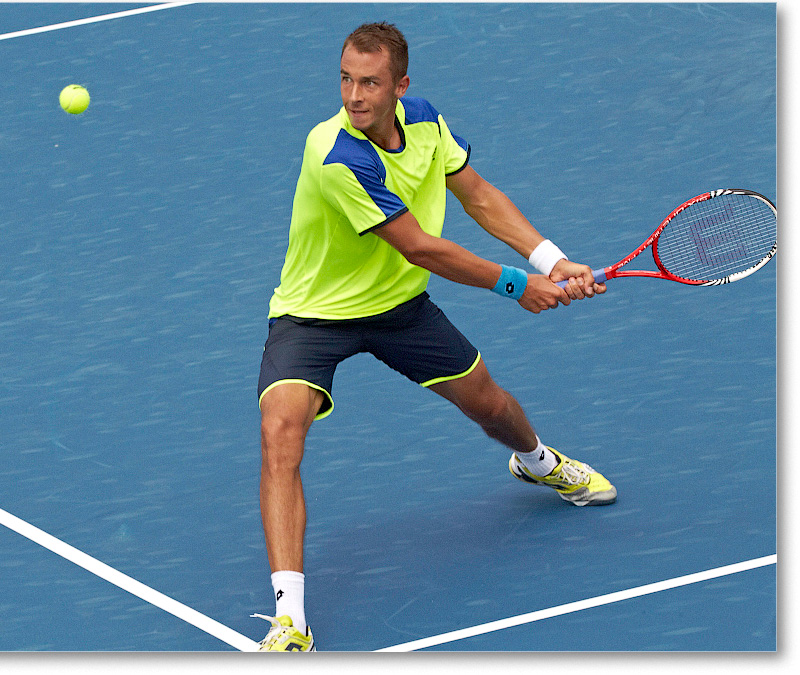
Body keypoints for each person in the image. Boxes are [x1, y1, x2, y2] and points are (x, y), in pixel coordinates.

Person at [251, 22, 615, 652]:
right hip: (313, 315)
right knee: (281, 432)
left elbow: (477, 196)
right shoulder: (335, 152)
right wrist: (515, 285)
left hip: (398, 309)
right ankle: (290, 619)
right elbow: (419, 246)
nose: (353, 95)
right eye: (345, 78)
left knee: (491, 406)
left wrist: (549, 260)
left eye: (369, 82)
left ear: (401, 86)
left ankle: (538, 463)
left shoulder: (425, 122)